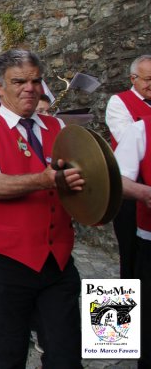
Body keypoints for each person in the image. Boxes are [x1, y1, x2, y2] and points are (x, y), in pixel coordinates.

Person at [0, 49, 85, 368]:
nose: (30, 87)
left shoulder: (57, 128)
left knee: (67, 356)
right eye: (19, 81)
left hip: (58, 261)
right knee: (7, 356)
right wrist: (44, 180)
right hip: (5, 263)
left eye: (36, 80)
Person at [106, 54, 151, 279]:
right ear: (133, 78)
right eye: (148, 79)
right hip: (130, 188)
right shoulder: (119, 101)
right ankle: (119, 314)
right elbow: (127, 139)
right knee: (129, 254)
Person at [113, 116, 151, 369]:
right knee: (128, 265)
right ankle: (117, 335)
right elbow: (117, 178)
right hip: (135, 210)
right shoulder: (123, 106)